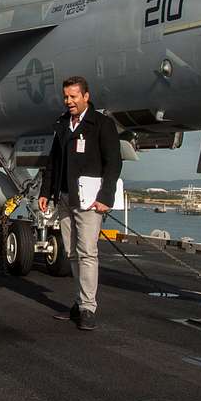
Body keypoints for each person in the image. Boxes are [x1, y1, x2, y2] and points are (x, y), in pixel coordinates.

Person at [38, 76, 122, 330]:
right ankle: (79, 301)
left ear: (86, 96)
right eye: (66, 97)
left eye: (74, 97)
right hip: (64, 198)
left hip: (89, 201)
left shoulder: (102, 124)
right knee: (72, 252)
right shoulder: (64, 124)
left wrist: (106, 197)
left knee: (87, 252)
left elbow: (114, 163)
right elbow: (52, 162)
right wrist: (45, 191)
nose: (69, 101)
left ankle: (88, 307)